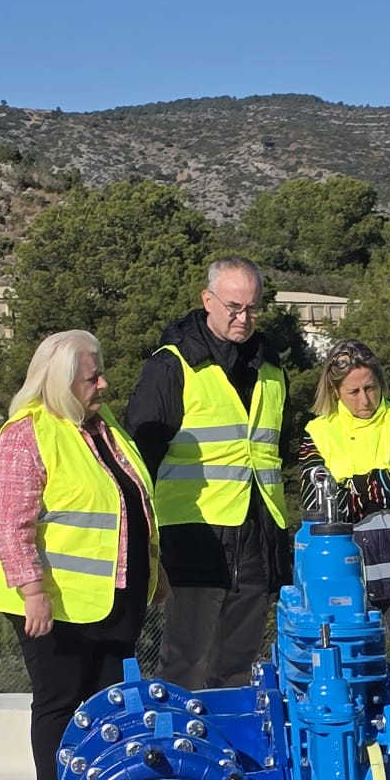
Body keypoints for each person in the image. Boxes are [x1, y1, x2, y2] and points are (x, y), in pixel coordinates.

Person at [0, 330, 162, 780]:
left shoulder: (102, 430)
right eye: (92, 377)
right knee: (61, 700)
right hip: (53, 602)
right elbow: (11, 521)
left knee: (108, 698)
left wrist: (157, 569)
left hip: (113, 594)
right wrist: (31, 591)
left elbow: (134, 506)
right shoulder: (26, 434)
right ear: (61, 383)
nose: (103, 384)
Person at [126, 256, 288, 690]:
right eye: (234, 306)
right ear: (207, 299)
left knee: (238, 665)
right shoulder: (171, 365)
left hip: (255, 533)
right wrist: (147, 542)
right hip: (193, 534)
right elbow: (140, 457)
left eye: (253, 307)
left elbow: (274, 452)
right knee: (186, 663)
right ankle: (182, 750)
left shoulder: (271, 368)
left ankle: (231, 755)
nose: (244, 317)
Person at [298, 340, 390, 659]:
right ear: (335, 393)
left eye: (371, 388)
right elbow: (316, 500)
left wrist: (349, 490)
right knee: (351, 680)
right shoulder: (316, 433)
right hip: (345, 581)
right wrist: (379, 484)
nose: (365, 399)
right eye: (354, 392)